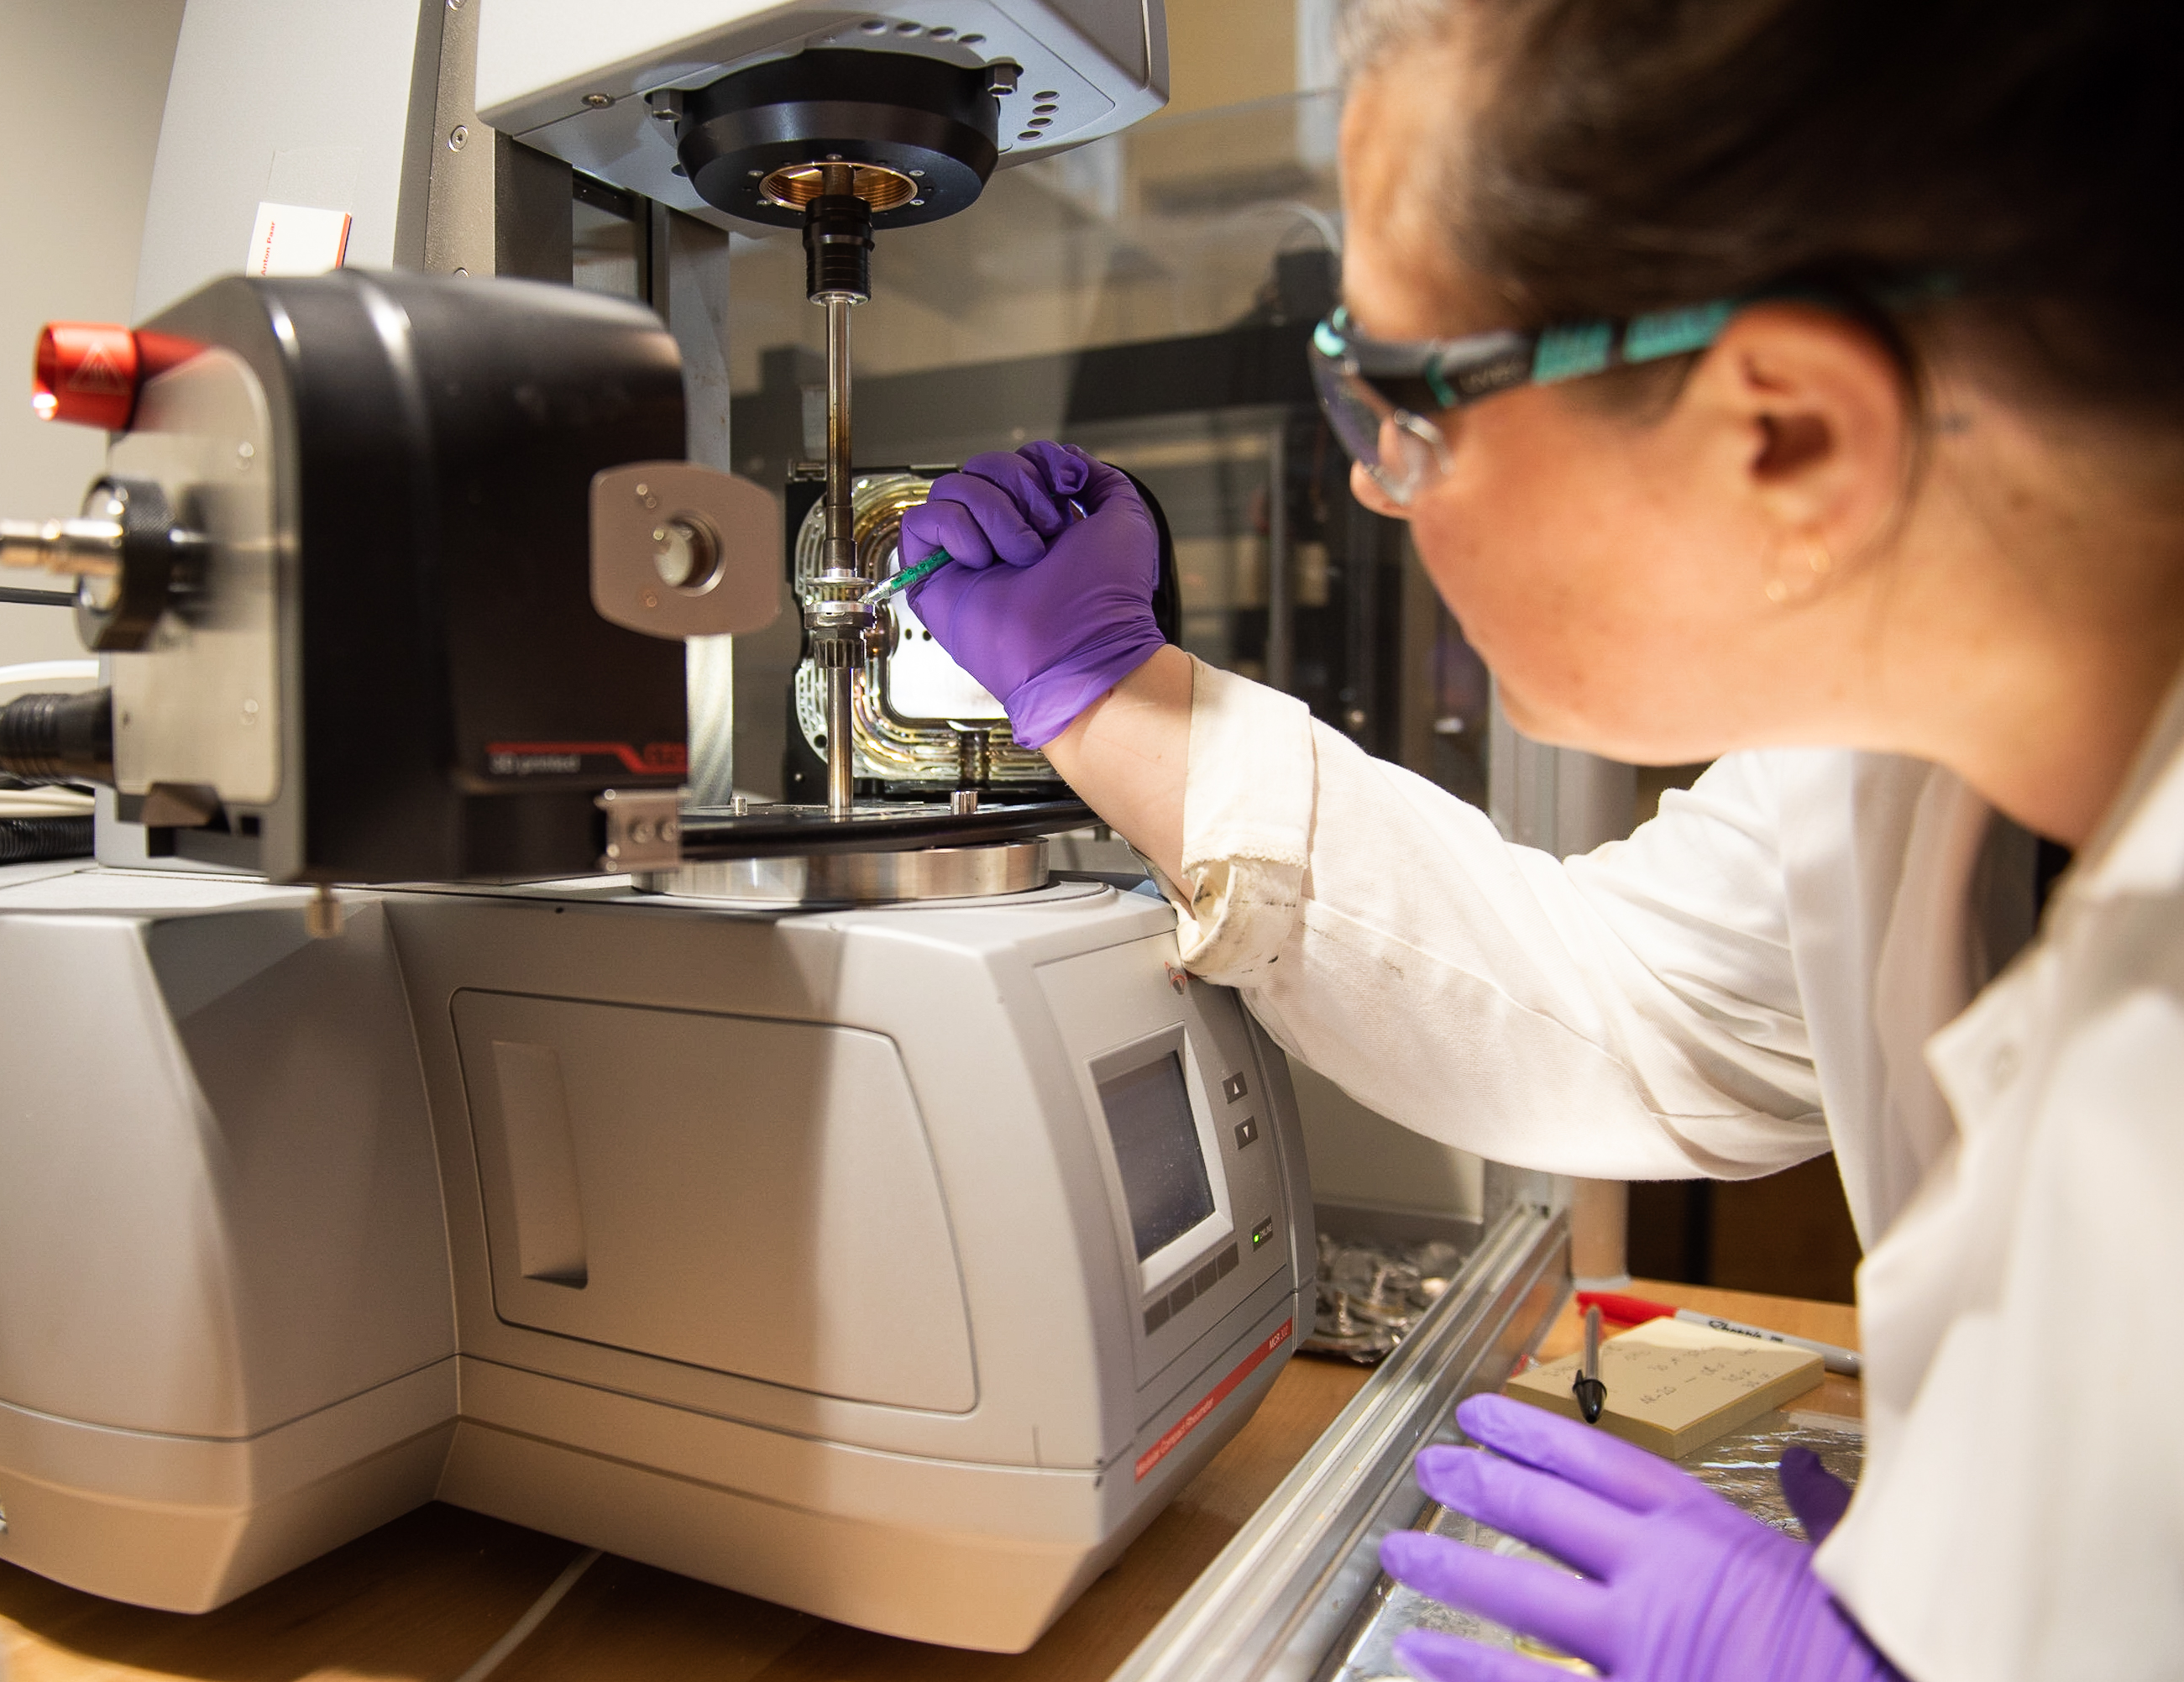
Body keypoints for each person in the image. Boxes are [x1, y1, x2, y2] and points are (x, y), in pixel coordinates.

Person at [895, 2, 2184, 1678]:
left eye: (1402, 403)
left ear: (1782, 434)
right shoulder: (1902, 764)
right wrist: (1110, 698)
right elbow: (1616, 999)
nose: (1373, 484)